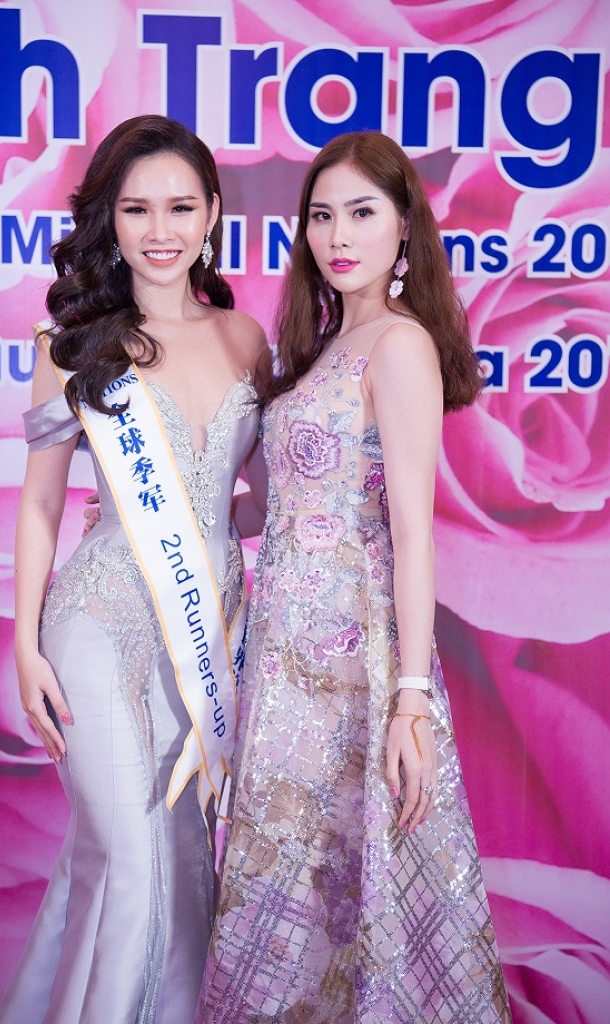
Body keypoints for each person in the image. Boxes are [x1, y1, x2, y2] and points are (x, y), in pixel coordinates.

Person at [194, 132, 512, 1022]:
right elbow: (290, 507)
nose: (338, 236)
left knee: (353, 877)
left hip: (353, 663)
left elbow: (411, 534)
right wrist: (170, 522)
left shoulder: (399, 345)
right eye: (321, 216)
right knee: (291, 877)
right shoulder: (330, 342)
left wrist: (409, 700)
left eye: (361, 213)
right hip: (284, 663)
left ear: (403, 226)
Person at [0, 115, 267, 1024]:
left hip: (204, 637)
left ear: (212, 213)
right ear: (108, 219)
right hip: (97, 625)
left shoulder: (246, 339)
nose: (160, 230)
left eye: (180, 207)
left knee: (180, 858)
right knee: (131, 859)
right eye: (136, 208)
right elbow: (41, 504)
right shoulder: (71, 344)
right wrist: (26, 648)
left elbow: (259, 504)